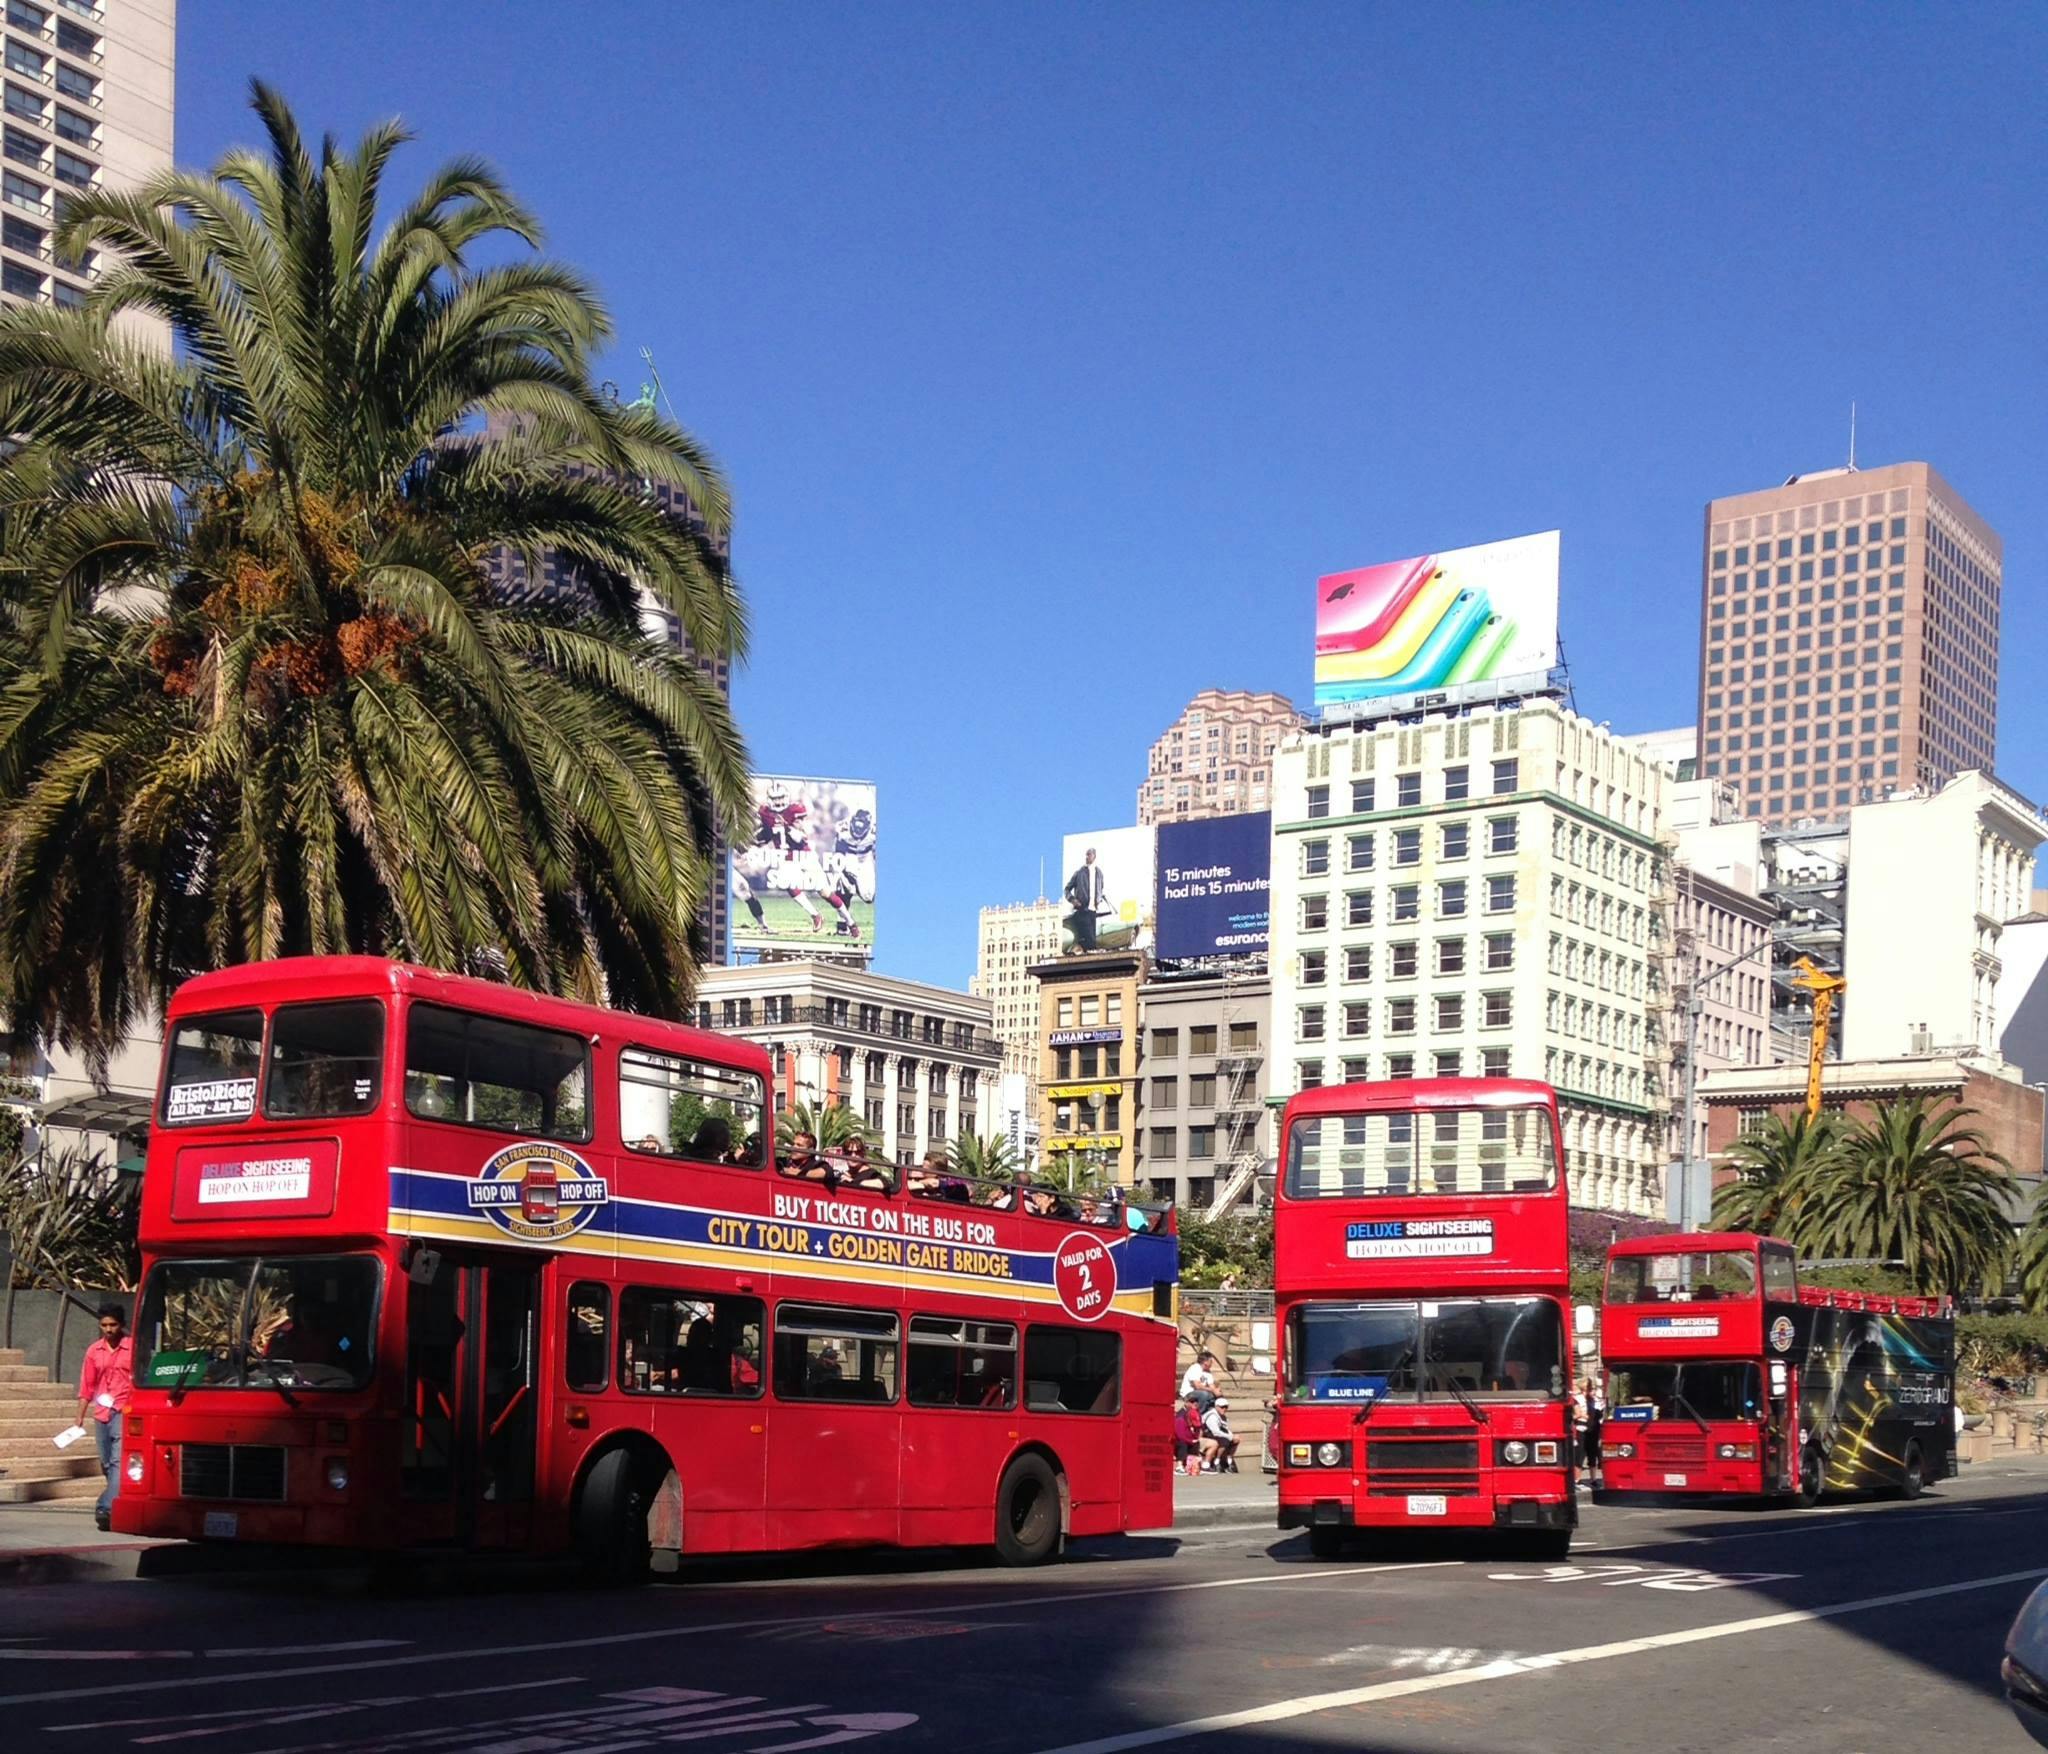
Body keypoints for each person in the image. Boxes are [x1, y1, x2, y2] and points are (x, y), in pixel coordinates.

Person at [77, 1301, 133, 1532]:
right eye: (104, 1325)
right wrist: (78, 1417)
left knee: (119, 1461)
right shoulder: (94, 1351)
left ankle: (105, 1506)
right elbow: (86, 1385)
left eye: (113, 1324)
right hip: (101, 1412)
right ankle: (117, 1500)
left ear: (121, 1325)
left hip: (123, 1409)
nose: (109, 1329)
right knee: (107, 1461)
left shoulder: (132, 1347)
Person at [1064, 847, 1109, 952]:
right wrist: (1073, 900)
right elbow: (1067, 889)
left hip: (1093, 910)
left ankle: (1086, 954)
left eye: (1089, 854)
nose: (1087, 857)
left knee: (1090, 936)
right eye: (1086, 855)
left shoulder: (1099, 873)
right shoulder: (1079, 873)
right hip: (1082, 909)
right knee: (1090, 938)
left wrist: (1098, 900)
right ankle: (1094, 953)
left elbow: (1100, 888)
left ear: (1094, 856)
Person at [1202, 1397, 1241, 1473]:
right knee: (1224, 1441)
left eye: (1226, 1407)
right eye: (1222, 1407)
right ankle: (1217, 1461)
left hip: (1217, 1434)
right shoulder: (1212, 1416)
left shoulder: (1223, 1416)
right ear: (1216, 1407)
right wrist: (1229, 1437)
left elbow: (1225, 1429)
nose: (1224, 1409)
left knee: (1236, 1439)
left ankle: (1229, 1459)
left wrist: (1232, 1436)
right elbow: (1215, 1431)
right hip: (1207, 1434)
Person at [1173, 1393, 1205, 1476]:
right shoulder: (1180, 1417)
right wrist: (1190, 1440)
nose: (1195, 1403)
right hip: (1178, 1439)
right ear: (1186, 1402)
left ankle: (1192, 1465)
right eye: (1192, 1401)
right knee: (1182, 1443)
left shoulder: (1196, 1414)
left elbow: (1198, 1428)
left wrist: (1195, 1439)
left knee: (1196, 1443)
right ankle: (1179, 1467)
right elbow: (1180, 1435)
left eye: (1196, 1401)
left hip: (1189, 1437)